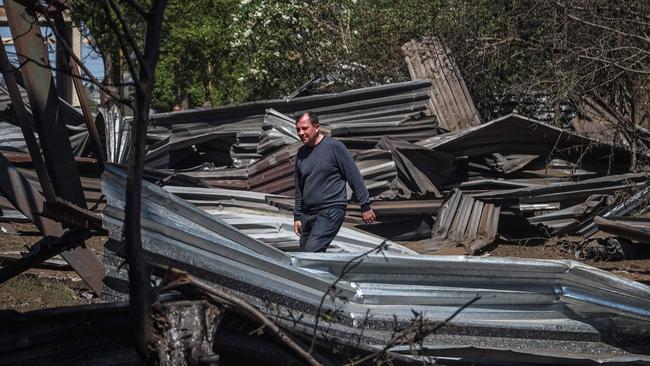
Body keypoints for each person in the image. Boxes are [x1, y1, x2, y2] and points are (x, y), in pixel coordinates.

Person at [293, 112, 376, 252]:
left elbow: (354, 176)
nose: (301, 133)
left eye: (305, 128)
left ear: (316, 127)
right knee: (305, 252)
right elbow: (298, 188)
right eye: (298, 130)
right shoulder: (301, 154)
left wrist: (365, 205)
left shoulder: (334, 147)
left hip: (331, 210)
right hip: (307, 214)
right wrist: (297, 216)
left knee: (312, 251)